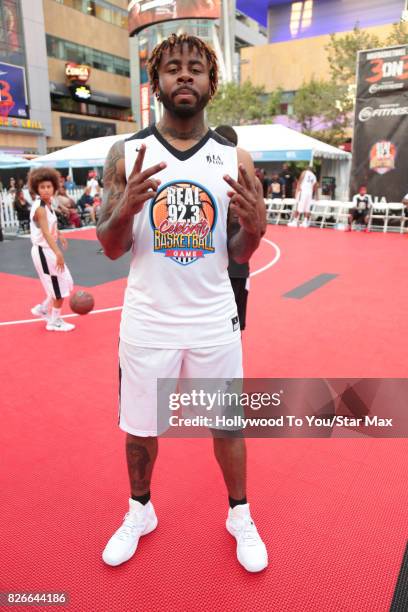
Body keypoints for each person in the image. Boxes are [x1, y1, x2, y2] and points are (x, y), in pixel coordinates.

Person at [97, 33, 267, 573]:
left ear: (211, 82)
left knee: (226, 423)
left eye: (196, 68)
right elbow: (110, 247)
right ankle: (139, 510)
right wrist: (124, 208)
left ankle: (239, 514)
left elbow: (237, 247)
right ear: (157, 83)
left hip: (214, 315)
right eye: (173, 68)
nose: (185, 76)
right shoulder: (126, 153)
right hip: (148, 318)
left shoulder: (233, 156)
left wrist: (256, 232)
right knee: (140, 426)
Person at [215, 124, 258, 332]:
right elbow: (261, 228)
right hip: (233, 266)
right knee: (233, 329)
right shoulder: (251, 179)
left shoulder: (205, 174)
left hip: (210, 267)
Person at [28, 167, 75, 332]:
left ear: (54, 187)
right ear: (36, 189)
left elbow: (49, 227)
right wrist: (58, 252)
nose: (46, 190)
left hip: (48, 249)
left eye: (48, 186)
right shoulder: (40, 207)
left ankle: (43, 308)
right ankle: (54, 321)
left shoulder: (48, 204)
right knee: (59, 288)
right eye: (42, 187)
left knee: (66, 282)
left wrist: (59, 234)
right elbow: (46, 233)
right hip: (44, 251)